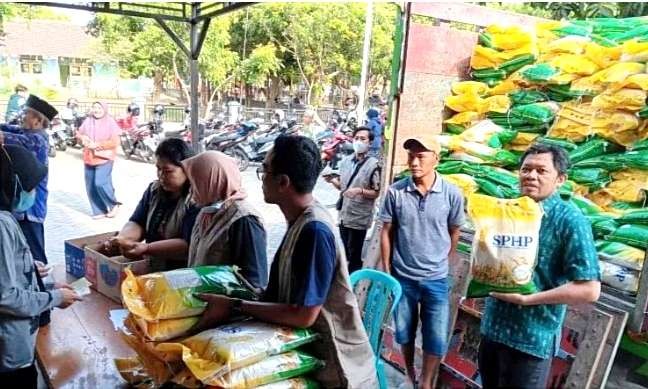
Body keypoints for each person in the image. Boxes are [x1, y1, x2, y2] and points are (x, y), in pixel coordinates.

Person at [194, 136, 378, 388]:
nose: (261, 177)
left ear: (283, 182)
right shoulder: (300, 220)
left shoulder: (314, 230)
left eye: (265, 170)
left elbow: (304, 315)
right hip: (308, 353)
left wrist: (236, 305)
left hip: (336, 366)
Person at [478, 143, 600, 389]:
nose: (531, 175)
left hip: (530, 340)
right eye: (526, 169)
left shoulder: (570, 220)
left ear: (560, 179)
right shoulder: (506, 211)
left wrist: (527, 299)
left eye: (541, 171)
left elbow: (589, 289)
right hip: (492, 330)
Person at [379, 134, 465, 389]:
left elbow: (455, 231)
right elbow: (386, 231)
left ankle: (426, 382)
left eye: (421, 156)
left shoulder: (452, 194)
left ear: (435, 160)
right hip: (402, 277)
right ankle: (409, 374)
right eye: (410, 157)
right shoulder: (396, 192)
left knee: (435, 335)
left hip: (435, 279)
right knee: (404, 331)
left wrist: (445, 263)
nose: (414, 162)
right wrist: (387, 271)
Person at [0, 144, 81, 388]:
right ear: (12, 182)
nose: (33, 193)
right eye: (30, 186)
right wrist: (54, 297)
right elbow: (5, 296)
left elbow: (10, 277)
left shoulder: (6, 218)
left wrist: (39, 280)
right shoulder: (2, 224)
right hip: (10, 355)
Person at [0, 94, 58, 327]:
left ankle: (44, 312)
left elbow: (7, 136)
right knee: (23, 257)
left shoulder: (38, 140)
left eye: (27, 114)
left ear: (37, 121)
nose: (22, 117)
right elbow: (7, 127)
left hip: (31, 209)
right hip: (19, 209)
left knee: (36, 257)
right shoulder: (25, 133)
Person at [103, 139, 199, 271]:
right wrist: (123, 239)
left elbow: (188, 244)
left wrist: (147, 248)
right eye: (158, 169)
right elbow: (137, 221)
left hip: (181, 272)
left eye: (167, 171)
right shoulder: (154, 190)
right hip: (153, 265)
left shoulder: (197, 198)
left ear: (186, 169)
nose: (161, 176)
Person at [182, 151, 268, 290]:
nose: (191, 191)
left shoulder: (244, 220)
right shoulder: (206, 213)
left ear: (212, 181)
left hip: (228, 309)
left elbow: (254, 283)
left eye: (195, 183)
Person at [324, 126, 381, 273]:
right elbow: (344, 188)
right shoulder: (346, 161)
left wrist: (360, 191)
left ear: (370, 143)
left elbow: (376, 192)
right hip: (344, 213)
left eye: (363, 139)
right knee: (344, 249)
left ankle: (353, 281)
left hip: (360, 215)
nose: (359, 142)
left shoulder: (374, 165)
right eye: (356, 138)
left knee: (354, 251)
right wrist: (331, 180)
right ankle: (344, 276)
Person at [77, 101, 121, 219]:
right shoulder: (88, 121)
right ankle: (99, 210)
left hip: (105, 158)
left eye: (99, 108)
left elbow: (115, 142)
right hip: (89, 157)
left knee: (100, 182)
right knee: (90, 185)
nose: (96, 110)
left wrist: (98, 145)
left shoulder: (110, 122)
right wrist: (82, 138)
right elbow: (79, 134)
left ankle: (113, 205)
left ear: (104, 109)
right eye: (94, 107)